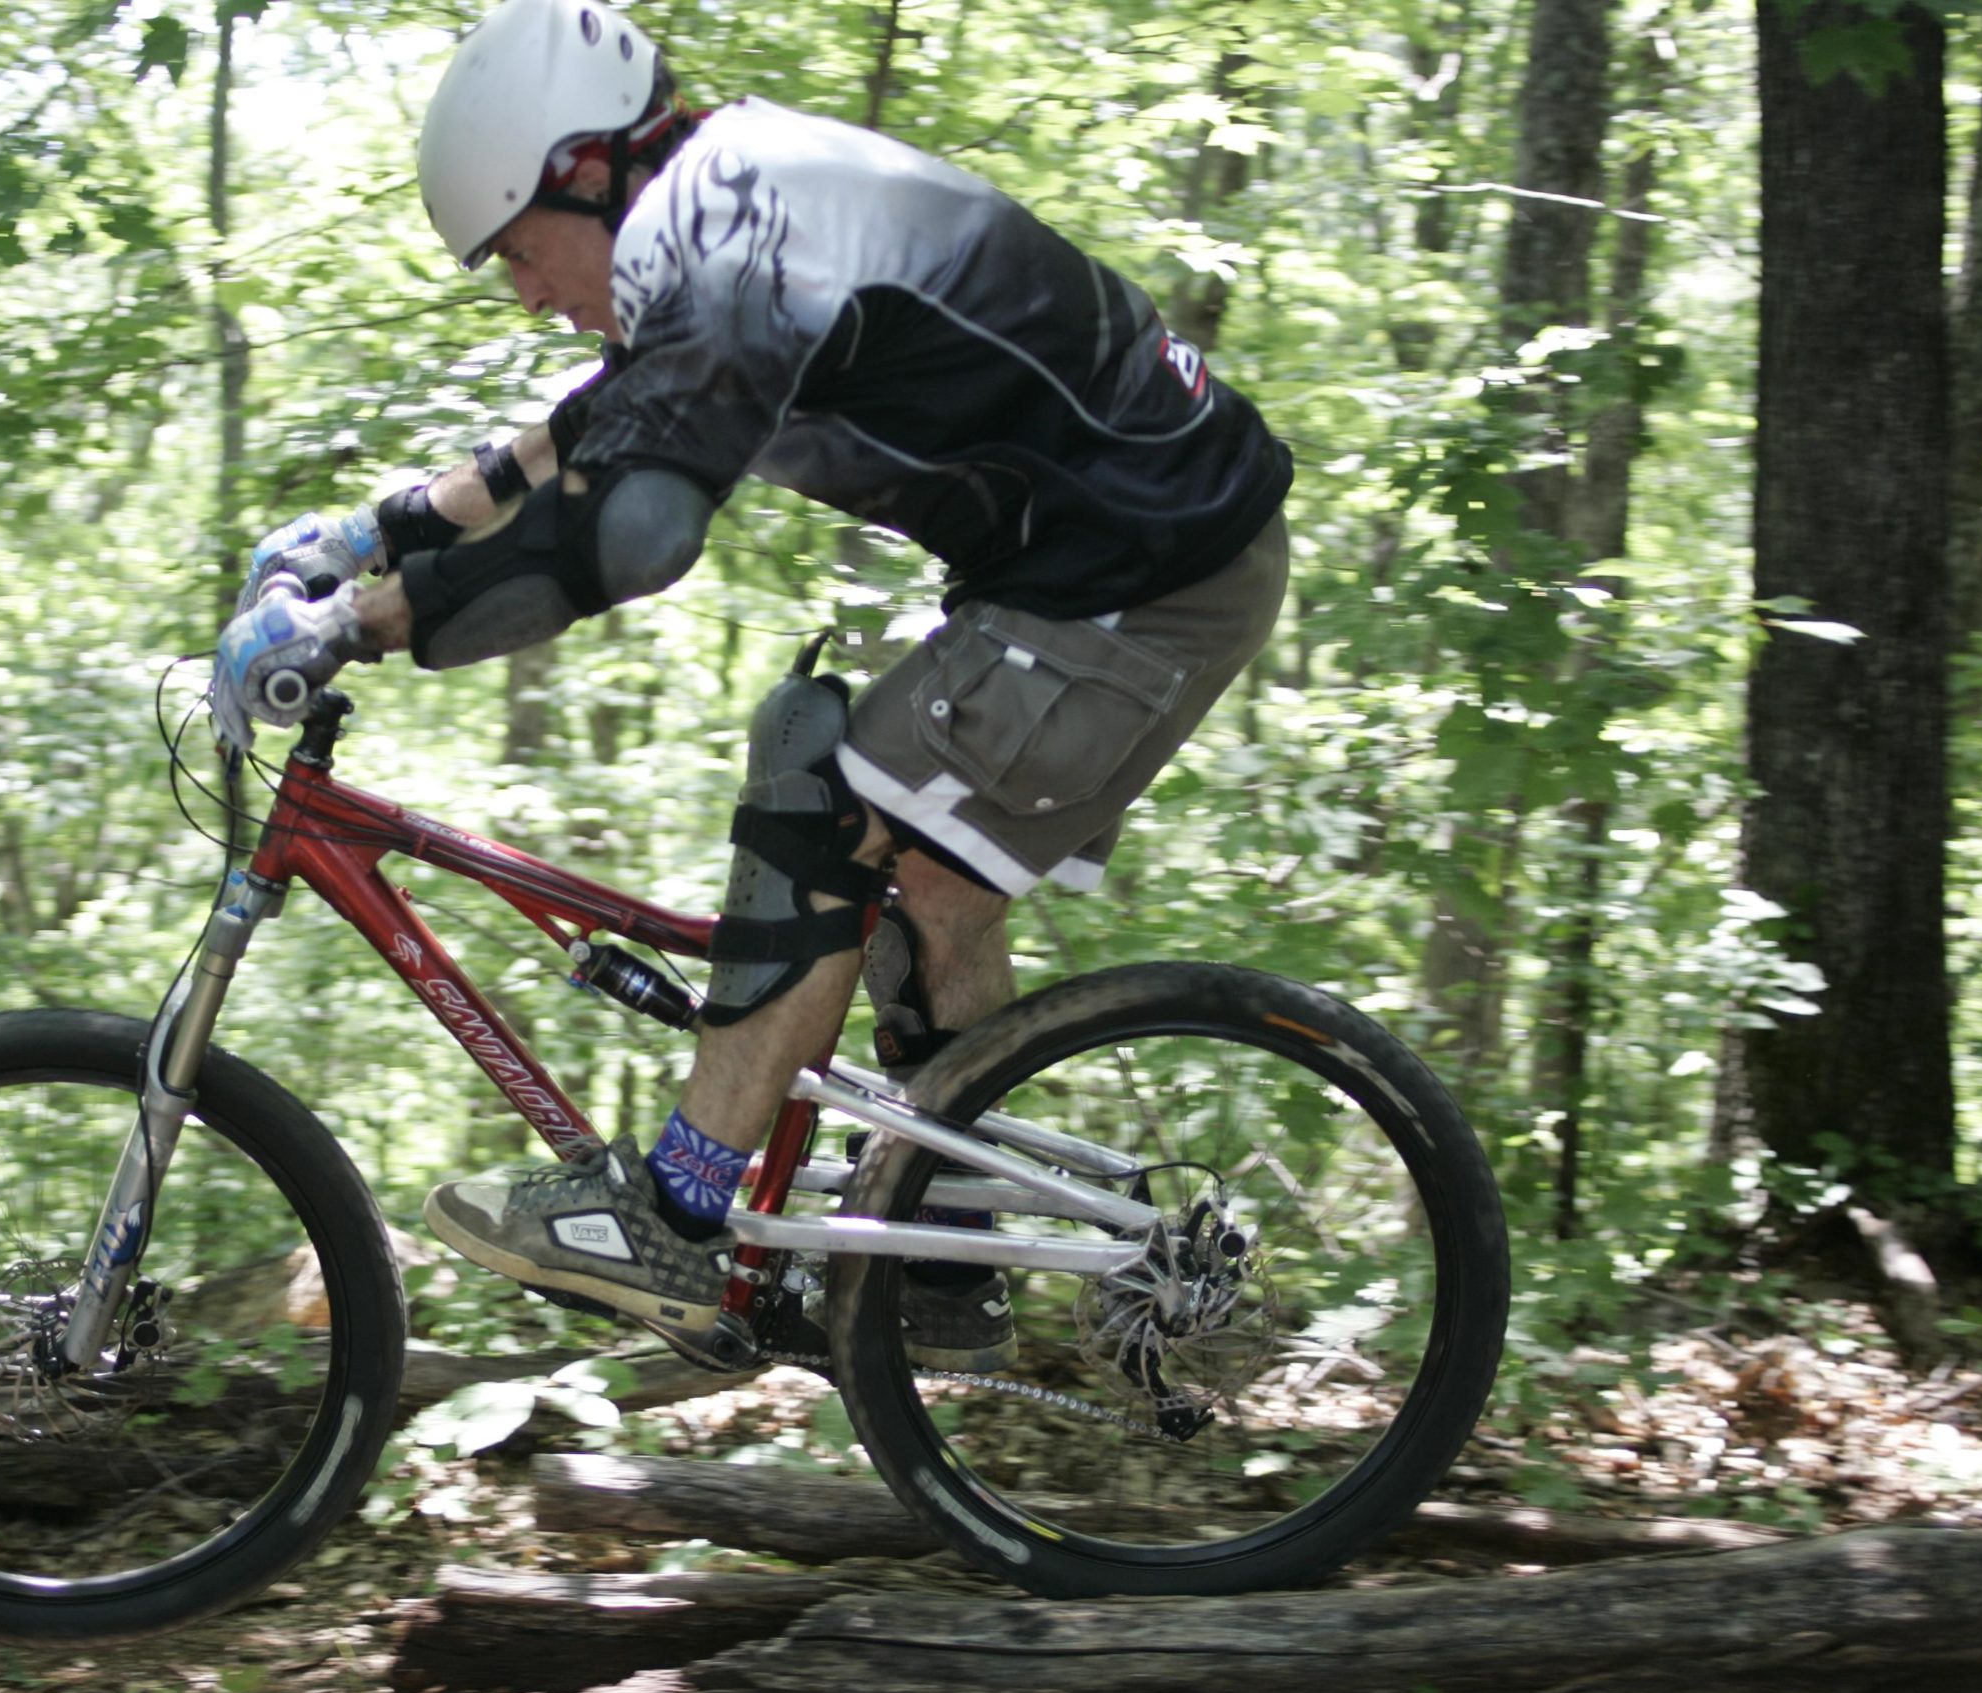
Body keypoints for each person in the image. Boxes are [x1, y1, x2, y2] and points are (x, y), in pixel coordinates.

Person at [211, 0, 1292, 1372]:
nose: (527, 291)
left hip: (1142, 578)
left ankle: (673, 1211)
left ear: (588, 171)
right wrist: (379, 531)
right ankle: (951, 1261)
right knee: (924, 886)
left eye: (524, 254)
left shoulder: (721, 229)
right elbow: (604, 421)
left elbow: (631, 532)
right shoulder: (729, 200)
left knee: (815, 810)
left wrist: (353, 625)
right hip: (1132, 558)